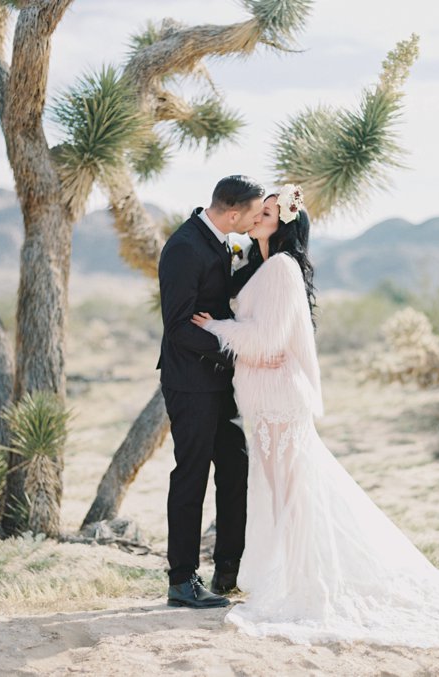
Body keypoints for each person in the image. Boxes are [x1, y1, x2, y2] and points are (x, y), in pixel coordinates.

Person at [191, 185, 439, 646]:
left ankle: (307, 586)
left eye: (267, 213)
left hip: (280, 401)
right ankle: (289, 577)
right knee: (282, 490)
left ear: (283, 224)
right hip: (262, 400)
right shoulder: (261, 268)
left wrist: (218, 328)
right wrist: (247, 342)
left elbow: (267, 342)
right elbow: (265, 341)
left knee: (294, 492)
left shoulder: (282, 269)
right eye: (259, 211)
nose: (257, 217)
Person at [158, 175, 265, 609]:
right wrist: (239, 352)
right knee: (191, 476)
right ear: (234, 212)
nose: (258, 218)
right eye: (256, 212)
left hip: (218, 383)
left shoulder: (220, 241)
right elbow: (179, 326)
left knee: (235, 469)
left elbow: (223, 299)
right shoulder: (184, 247)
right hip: (190, 382)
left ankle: (227, 571)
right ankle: (182, 580)